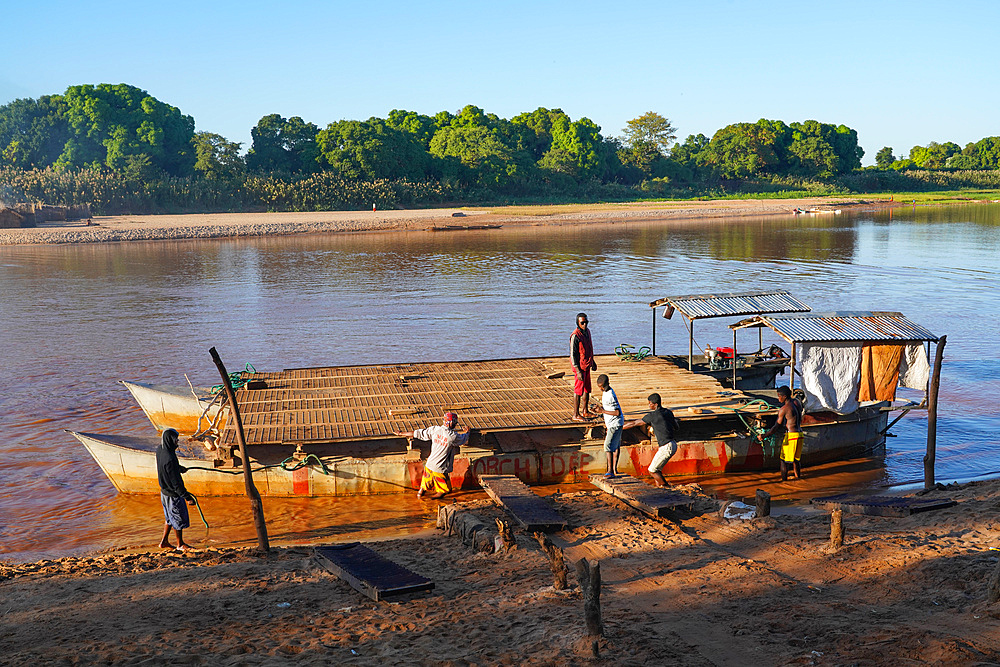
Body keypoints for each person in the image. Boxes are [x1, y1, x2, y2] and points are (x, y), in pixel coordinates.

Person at [395, 412, 469, 499]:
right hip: (440, 467)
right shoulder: (452, 436)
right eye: (455, 423)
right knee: (443, 490)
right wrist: (467, 432)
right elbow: (463, 439)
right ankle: (432, 502)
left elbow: (418, 433)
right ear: (451, 422)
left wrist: (402, 433)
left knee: (425, 484)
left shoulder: (435, 430)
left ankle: (420, 495)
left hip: (429, 464)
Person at [625, 393, 679, 487]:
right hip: (673, 444)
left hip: (666, 447)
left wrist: (619, 427)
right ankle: (659, 488)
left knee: (652, 470)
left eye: (650, 403)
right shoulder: (668, 412)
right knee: (657, 470)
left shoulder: (653, 416)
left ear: (655, 404)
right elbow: (676, 427)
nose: (649, 405)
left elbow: (634, 423)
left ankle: (666, 488)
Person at [156, 428, 197, 552]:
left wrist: (179, 468)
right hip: (172, 494)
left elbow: (167, 469)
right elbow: (176, 483)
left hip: (164, 492)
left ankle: (164, 542)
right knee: (177, 518)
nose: (177, 443)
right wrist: (187, 497)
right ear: (170, 440)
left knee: (169, 517)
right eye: (176, 440)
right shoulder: (169, 458)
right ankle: (180, 544)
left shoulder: (161, 450)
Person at [758, 386, 803, 481]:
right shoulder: (797, 402)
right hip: (800, 435)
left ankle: (784, 481)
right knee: (796, 459)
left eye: (779, 396)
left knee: (783, 460)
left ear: (785, 396)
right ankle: (798, 478)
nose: (778, 399)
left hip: (791, 436)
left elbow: (776, 426)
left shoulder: (784, 409)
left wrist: (764, 436)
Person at [593, 374, 624, 478]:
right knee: (615, 446)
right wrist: (600, 409)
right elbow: (609, 408)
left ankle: (610, 471)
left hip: (615, 423)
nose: (600, 389)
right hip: (614, 423)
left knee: (608, 446)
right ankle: (614, 470)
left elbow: (617, 412)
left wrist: (602, 411)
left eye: (600, 387)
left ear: (603, 386)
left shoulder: (610, 395)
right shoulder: (607, 392)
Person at [570, 312, 598, 421]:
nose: (585, 325)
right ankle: (576, 414)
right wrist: (578, 371)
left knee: (587, 388)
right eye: (582, 323)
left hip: (587, 364)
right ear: (578, 323)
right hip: (580, 367)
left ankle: (585, 411)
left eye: (586, 322)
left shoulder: (587, 332)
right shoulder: (575, 336)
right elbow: (573, 355)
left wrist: (593, 362)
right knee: (578, 390)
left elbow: (589, 348)